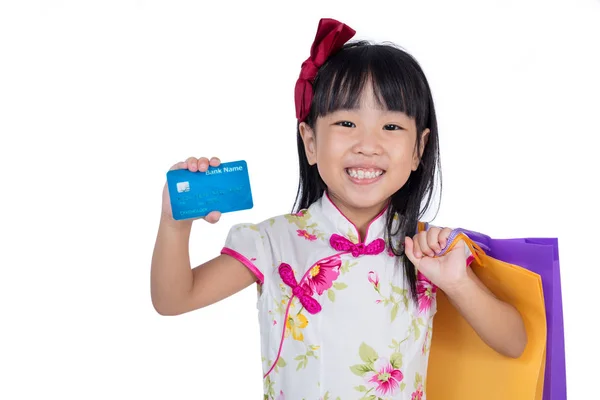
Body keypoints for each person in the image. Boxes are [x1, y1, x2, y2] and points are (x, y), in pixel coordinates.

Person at [151, 18, 527, 400]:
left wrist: (457, 281)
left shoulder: (427, 250)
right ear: (310, 141)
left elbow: (514, 343)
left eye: (392, 127)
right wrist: (174, 225)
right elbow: (173, 300)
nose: (368, 144)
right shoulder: (272, 243)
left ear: (419, 149)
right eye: (347, 122)